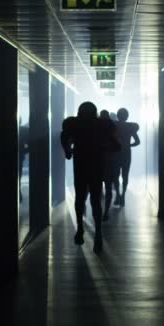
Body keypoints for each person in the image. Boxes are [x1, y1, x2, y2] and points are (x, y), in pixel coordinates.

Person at [61, 102, 118, 253]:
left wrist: (68, 151)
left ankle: (80, 228)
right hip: (96, 165)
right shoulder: (102, 125)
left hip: (80, 165)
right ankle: (98, 232)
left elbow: (64, 136)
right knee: (95, 199)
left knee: (80, 198)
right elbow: (116, 146)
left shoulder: (73, 124)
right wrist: (103, 148)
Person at [114, 108, 140, 207]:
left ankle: (117, 195)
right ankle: (123, 196)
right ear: (127, 116)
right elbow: (137, 142)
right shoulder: (130, 127)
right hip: (126, 153)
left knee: (115, 175)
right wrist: (129, 145)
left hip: (116, 154)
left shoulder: (114, 127)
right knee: (125, 175)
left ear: (117, 115)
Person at [99, 110, 119, 221]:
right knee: (108, 189)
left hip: (97, 164)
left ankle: (94, 210)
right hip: (109, 164)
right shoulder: (111, 134)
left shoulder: (94, 131)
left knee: (94, 190)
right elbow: (118, 148)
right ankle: (106, 211)